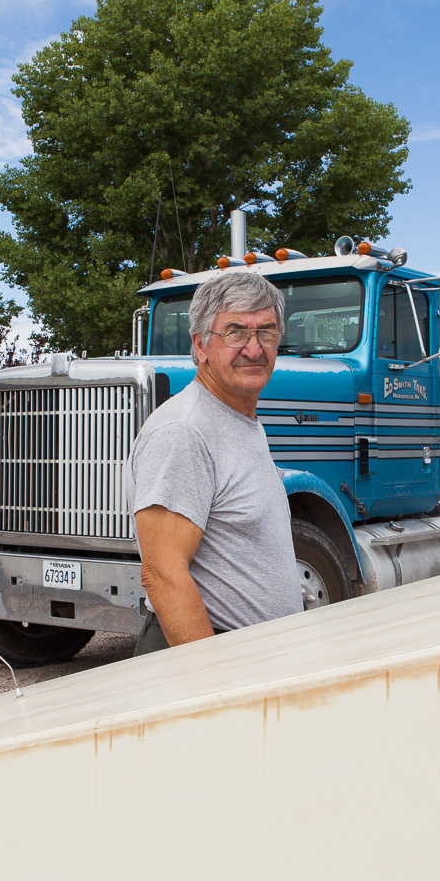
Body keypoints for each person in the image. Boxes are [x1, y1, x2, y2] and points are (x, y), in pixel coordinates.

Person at [129, 270, 303, 654]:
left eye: (267, 332)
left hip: (252, 656)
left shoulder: (238, 417)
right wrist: (213, 685)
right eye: (236, 332)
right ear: (201, 344)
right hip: (207, 657)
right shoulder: (184, 431)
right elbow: (162, 573)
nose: (254, 350)